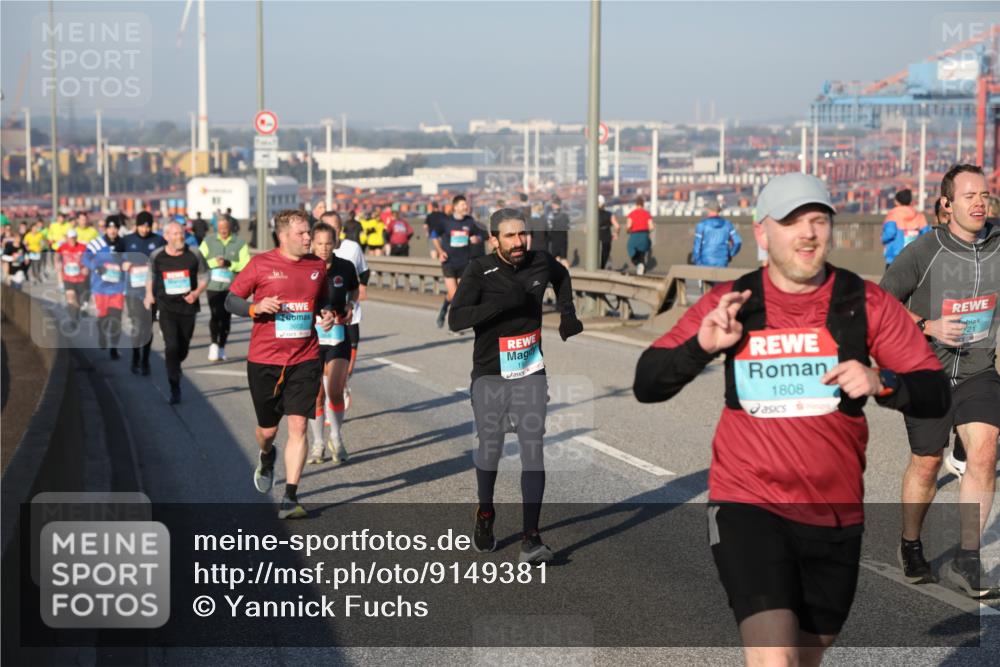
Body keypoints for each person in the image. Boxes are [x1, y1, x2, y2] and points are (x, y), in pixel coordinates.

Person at [633, 172, 949, 663]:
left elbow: (934, 393)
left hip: (834, 515)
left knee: (802, 658)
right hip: (748, 502)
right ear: (762, 233)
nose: (807, 233)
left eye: (817, 220)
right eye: (791, 221)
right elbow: (647, 383)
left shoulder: (862, 303)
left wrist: (882, 381)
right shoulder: (734, 303)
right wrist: (701, 347)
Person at [879, 163, 1000, 598]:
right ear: (946, 204)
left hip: (977, 370)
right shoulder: (923, 251)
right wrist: (928, 326)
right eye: (969, 196)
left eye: (984, 194)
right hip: (924, 370)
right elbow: (883, 303)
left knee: (985, 452)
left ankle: (967, 560)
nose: (980, 202)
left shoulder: (998, 242)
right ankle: (910, 543)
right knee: (928, 462)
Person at [449, 207, 584, 564]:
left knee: (532, 449)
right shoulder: (480, 270)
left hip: (530, 370)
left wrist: (568, 313)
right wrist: (498, 305)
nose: (518, 241)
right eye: (509, 236)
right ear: (494, 239)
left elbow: (562, 274)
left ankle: (531, 538)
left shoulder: (540, 262)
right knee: (490, 450)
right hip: (490, 374)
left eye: (522, 234)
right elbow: (456, 319)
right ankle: (486, 512)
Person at [225, 209, 334, 519]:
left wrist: (326, 313)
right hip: (265, 360)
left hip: (306, 357)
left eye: (309, 233)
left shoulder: (316, 265)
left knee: (299, 424)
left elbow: (322, 299)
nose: (308, 238)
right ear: (283, 236)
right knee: (268, 430)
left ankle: (290, 496)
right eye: (301, 234)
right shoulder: (261, 264)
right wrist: (255, 307)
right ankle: (266, 454)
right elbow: (231, 299)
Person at [307, 221, 359, 465]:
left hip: (338, 335)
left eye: (329, 243)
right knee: (315, 394)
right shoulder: (304, 267)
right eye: (319, 244)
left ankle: (336, 437)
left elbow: (354, 291)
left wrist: (349, 305)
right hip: (311, 336)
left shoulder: (345, 267)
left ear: (335, 243)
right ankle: (318, 443)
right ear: (312, 243)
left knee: (335, 391)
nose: (324, 248)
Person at [145, 222, 210, 404]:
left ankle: (176, 364)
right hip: (166, 308)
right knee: (171, 346)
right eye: (175, 234)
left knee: (183, 348)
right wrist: (149, 295)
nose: (179, 237)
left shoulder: (194, 253)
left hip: (188, 308)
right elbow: (150, 276)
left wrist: (196, 293)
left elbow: (205, 275)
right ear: (166, 236)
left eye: (181, 233)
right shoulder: (157, 255)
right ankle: (175, 387)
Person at [314, 203, 370, 412]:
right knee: (322, 382)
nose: (332, 234)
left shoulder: (352, 249)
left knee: (341, 371)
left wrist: (354, 298)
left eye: (336, 228)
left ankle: (339, 388)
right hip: (319, 327)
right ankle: (331, 396)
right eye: (327, 228)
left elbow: (363, 272)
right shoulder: (311, 258)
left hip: (347, 319)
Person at [200, 216, 250, 362]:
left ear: (230, 228)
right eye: (220, 228)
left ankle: (222, 345)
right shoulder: (208, 241)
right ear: (217, 228)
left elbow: (245, 264)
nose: (223, 231)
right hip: (213, 286)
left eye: (225, 228)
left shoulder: (240, 243)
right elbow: (199, 260)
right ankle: (213, 344)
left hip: (231, 287)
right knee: (215, 314)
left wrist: (230, 264)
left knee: (226, 316)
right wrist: (214, 262)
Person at [122, 211, 165, 374]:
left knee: (147, 327)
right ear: (136, 225)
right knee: (137, 326)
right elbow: (115, 257)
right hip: (133, 291)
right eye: (142, 226)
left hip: (152, 292)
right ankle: (135, 358)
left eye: (148, 226)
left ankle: (145, 360)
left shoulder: (159, 240)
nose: (145, 230)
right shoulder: (127, 240)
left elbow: (166, 258)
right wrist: (123, 264)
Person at [432, 194, 483, 328]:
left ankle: (444, 308)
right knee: (455, 295)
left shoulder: (469, 221)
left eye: (466, 204)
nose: (465, 207)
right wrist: (440, 251)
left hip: (464, 262)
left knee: (458, 294)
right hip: (449, 262)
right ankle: (452, 323)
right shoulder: (445, 221)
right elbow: (434, 235)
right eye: (462, 205)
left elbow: (481, 234)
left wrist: (477, 239)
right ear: (455, 207)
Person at [83, 218, 127, 359]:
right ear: (105, 229)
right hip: (100, 288)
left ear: (118, 229)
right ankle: (102, 335)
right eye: (109, 228)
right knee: (103, 317)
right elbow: (84, 258)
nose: (112, 231)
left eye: (115, 228)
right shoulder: (97, 243)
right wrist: (96, 267)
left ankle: (113, 348)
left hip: (117, 288)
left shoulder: (123, 243)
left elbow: (129, 260)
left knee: (116, 319)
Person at [881, 188, 929, 267]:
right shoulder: (919, 216)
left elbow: (890, 233)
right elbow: (926, 234)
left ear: (896, 201)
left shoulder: (893, 215)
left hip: (895, 257)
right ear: (910, 201)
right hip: (914, 257)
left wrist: (882, 238)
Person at [692, 202, 742, 268]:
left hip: (705, 260)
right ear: (719, 211)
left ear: (708, 210)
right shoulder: (727, 224)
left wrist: (698, 262)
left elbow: (697, 246)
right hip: (722, 260)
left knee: (706, 278)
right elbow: (737, 242)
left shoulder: (702, 225)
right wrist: (730, 254)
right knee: (721, 278)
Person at [56, 228, 87, 320]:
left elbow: (89, 259)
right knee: (70, 299)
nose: (72, 240)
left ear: (76, 238)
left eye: (73, 238)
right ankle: (72, 319)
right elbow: (57, 257)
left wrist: (86, 267)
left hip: (80, 278)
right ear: (67, 238)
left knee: (78, 301)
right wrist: (57, 264)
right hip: (68, 278)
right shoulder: (63, 247)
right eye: (70, 238)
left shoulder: (83, 247)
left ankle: (76, 315)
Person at [626, 196, 654, 275]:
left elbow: (628, 226)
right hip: (645, 235)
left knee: (631, 249)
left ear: (636, 204)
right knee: (642, 254)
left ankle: (638, 264)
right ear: (643, 204)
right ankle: (641, 269)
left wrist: (628, 230)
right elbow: (651, 227)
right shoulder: (647, 214)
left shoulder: (632, 214)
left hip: (635, 235)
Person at [544, 196, 571, 268]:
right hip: (563, 238)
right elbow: (568, 226)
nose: (552, 205)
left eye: (553, 204)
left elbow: (549, 226)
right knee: (563, 258)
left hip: (555, 238)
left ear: (555, 204)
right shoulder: (565, 214)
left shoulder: (551, 215)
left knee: (557, 257)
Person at [598, 195, 619, 270]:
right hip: (607, 236)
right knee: (605, 254)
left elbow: (586, 229)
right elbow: (617, 226)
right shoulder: (609, 214)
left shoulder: (592, 215)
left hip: (596, 237)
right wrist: (616, 233)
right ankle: (603, 267)